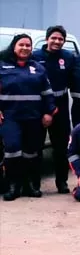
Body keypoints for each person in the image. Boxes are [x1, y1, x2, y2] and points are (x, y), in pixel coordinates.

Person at [0, 33, 55, 200]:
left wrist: (48, 112)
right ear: (14, 47)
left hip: (33, 117)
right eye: (21, 45)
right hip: (11, 117)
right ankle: (13, 186)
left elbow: (47, 93)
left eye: (28, 45)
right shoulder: (2, 66)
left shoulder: (38, 68)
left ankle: (30, 185)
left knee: (32, 152)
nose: (25, 48)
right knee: (12, 149)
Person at [33, 25, 76, 193]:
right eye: (54, 38)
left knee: (61, 147)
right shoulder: (35, 56)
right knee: (36, 147)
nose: (57, 41)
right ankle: (34, 184)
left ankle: (62, 182)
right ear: (47, 39)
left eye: (60, 39)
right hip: (39, 106)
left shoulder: (68, 57)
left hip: (61, 105)